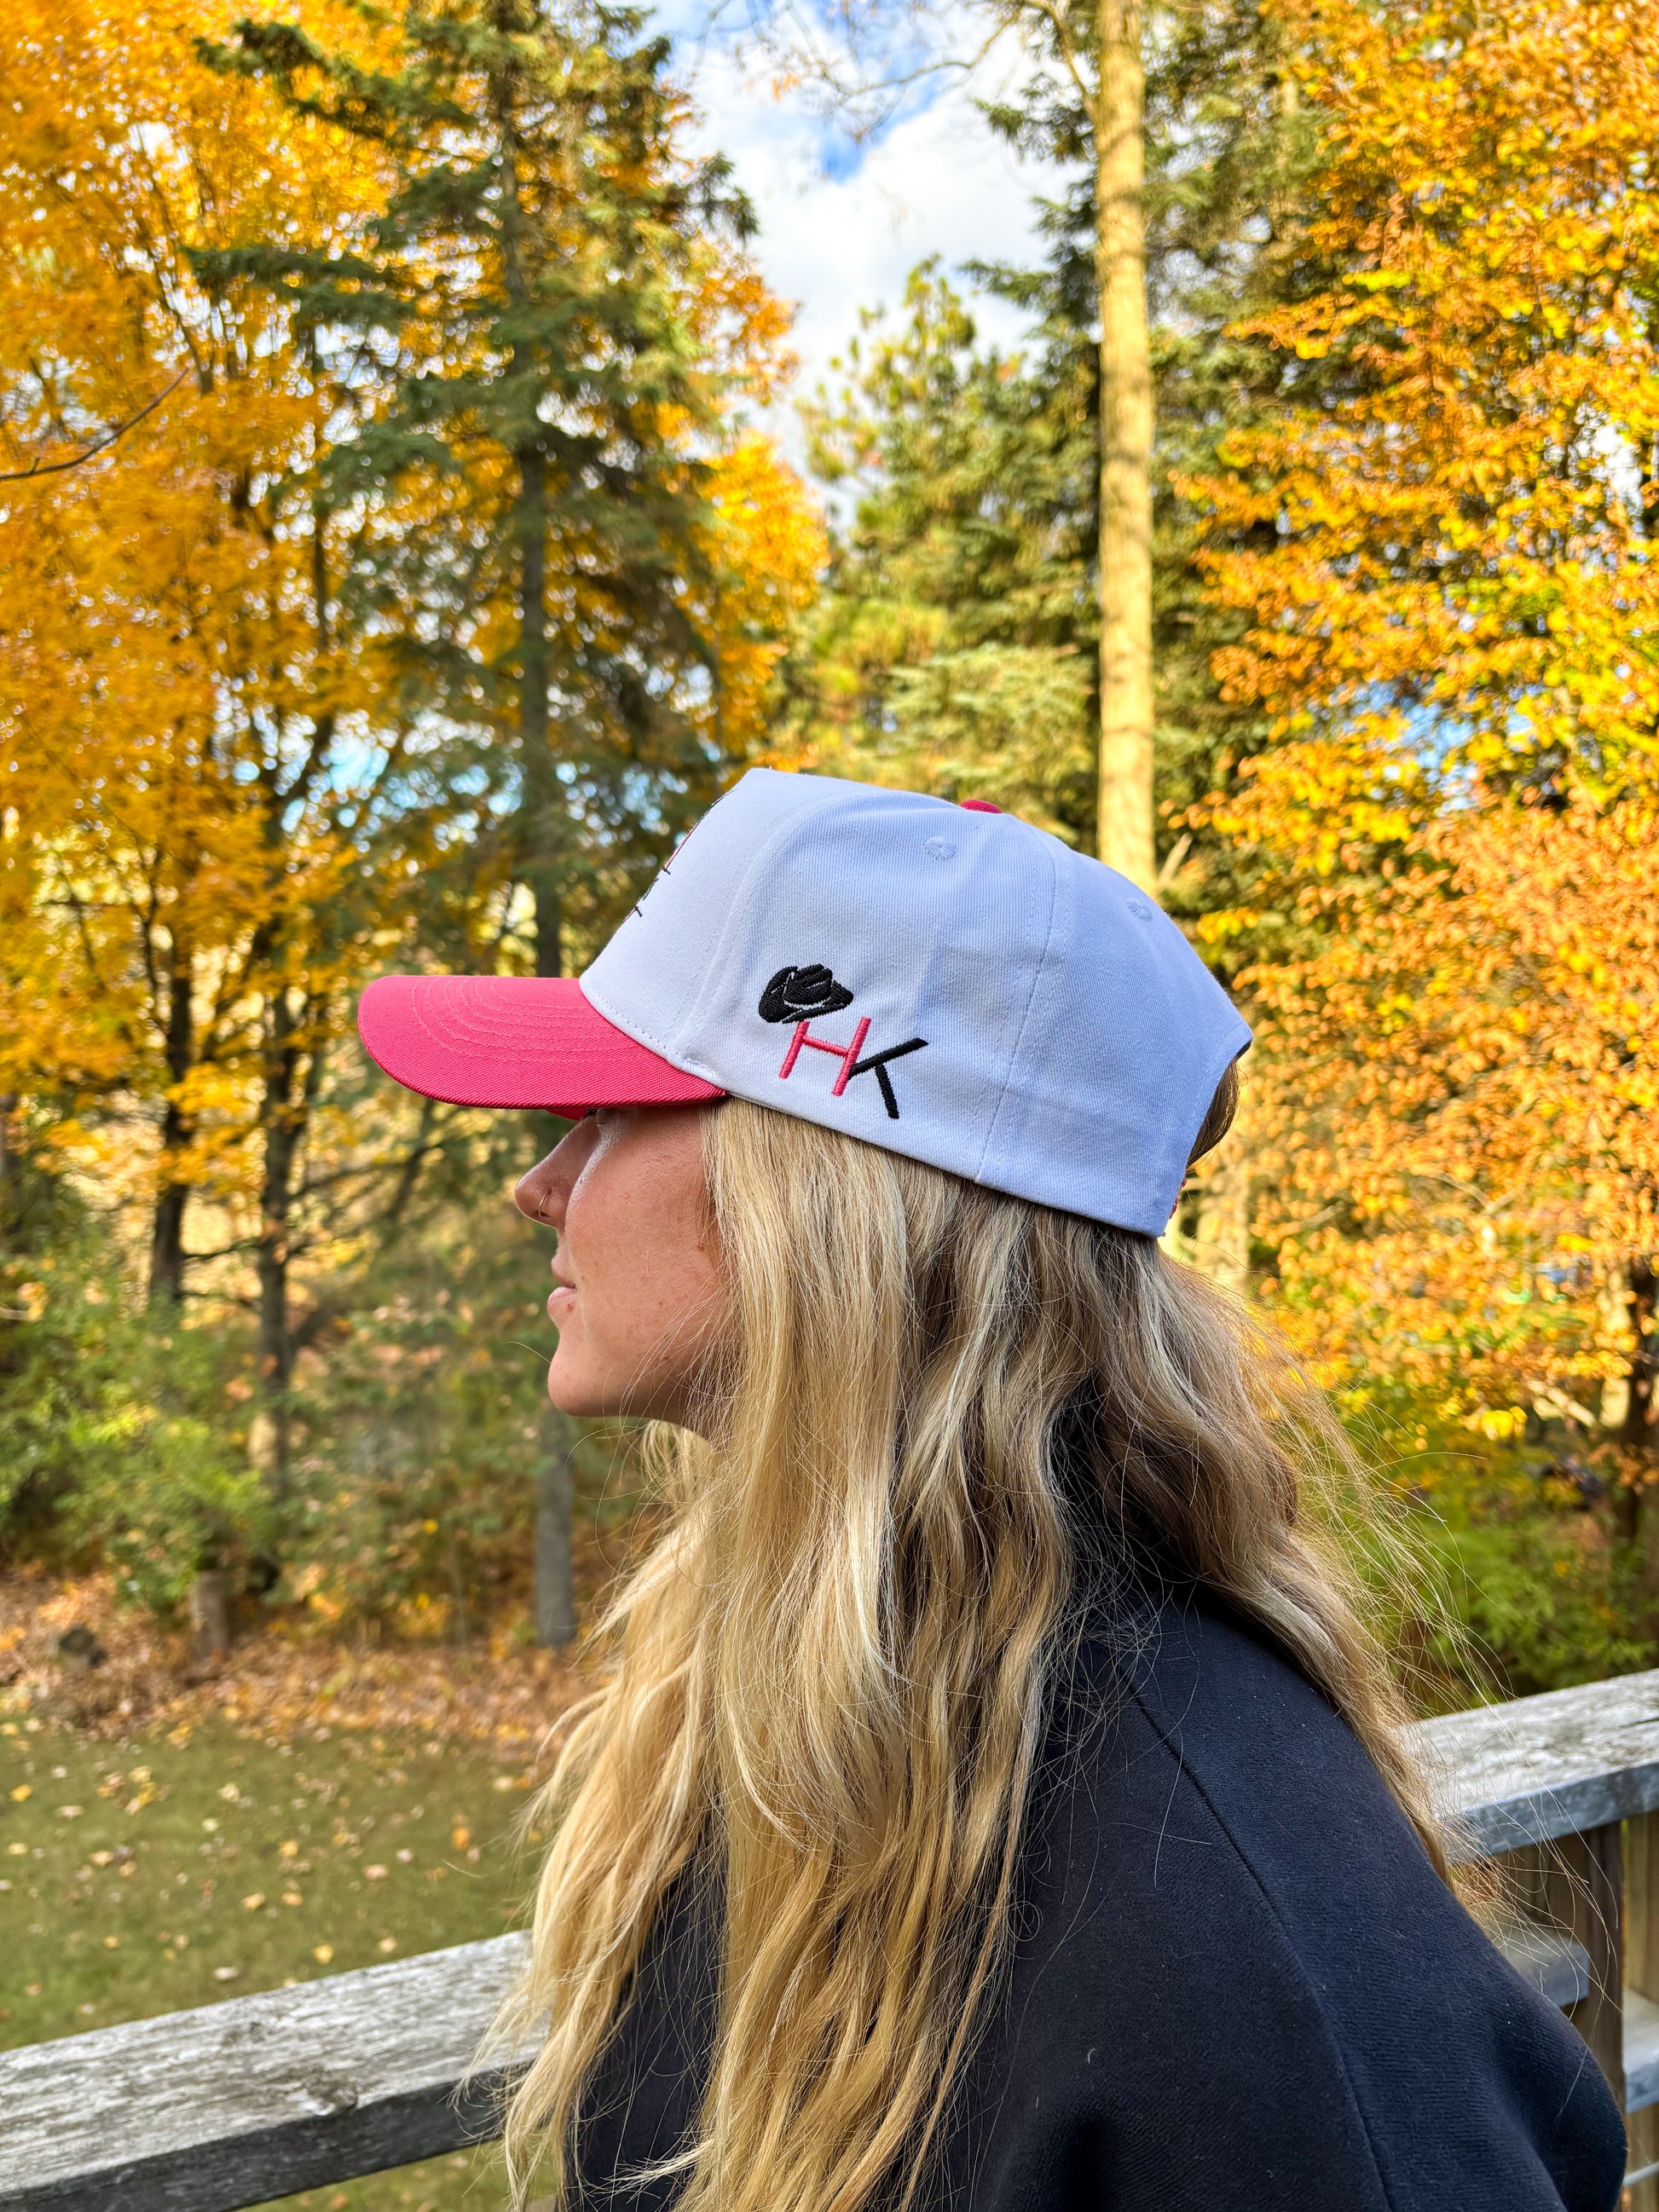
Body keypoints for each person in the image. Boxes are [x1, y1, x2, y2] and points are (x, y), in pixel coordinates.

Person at [357, 769, 1625, 2212]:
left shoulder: (1231, 1931)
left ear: (820, 1188)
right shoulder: (838, 1702)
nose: (539, 1181)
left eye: (603, 1107)